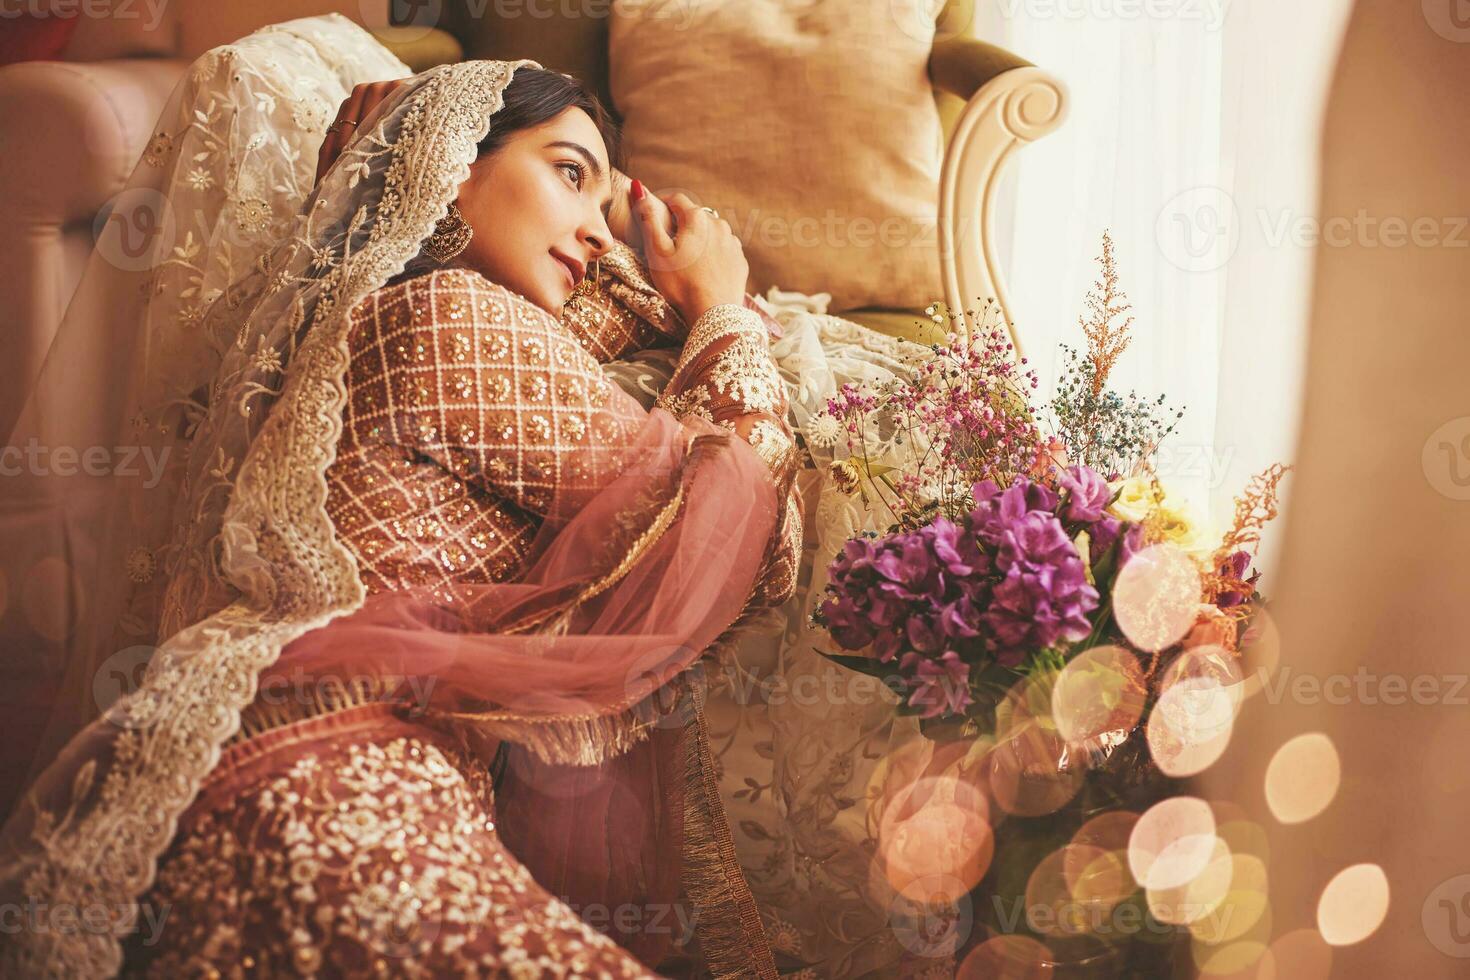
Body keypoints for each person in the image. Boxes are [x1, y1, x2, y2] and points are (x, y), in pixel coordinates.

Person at [0, 50, 804, 977]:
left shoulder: (368, 328)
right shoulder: (443, 314)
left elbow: (611, 361)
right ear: (451, 159)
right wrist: (721, 304)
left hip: (265, 757)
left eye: (605, 206)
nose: (594, 232)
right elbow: (740, 531)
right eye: (570, 173)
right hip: (322, 778)